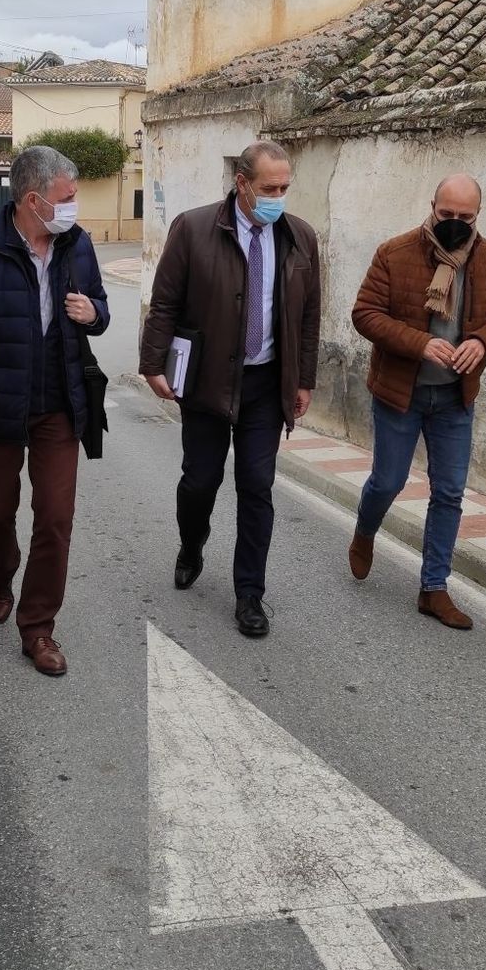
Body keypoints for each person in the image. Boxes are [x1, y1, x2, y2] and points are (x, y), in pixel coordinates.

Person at [0, 146, 109, 676]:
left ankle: (37, 627)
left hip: (59, 405)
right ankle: (2, 571)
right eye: (67, 197)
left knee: (55, 517)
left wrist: (93, 311)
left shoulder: (76, 246)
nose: (75, 206)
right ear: (35, 199)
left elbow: (100, 310)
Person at [140, 140, 321, 638]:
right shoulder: (194, 228)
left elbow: (308, 318)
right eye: (269, 188)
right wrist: (153, 363)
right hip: (208, 381)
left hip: (266, 383)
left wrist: (303, 379)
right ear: (242, 184)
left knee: (256, 487)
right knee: (199, 481)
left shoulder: (300, 238)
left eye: (285, 188)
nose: (278, 197)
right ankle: (191, 543)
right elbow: (165, 303)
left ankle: (249, 596)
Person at [348, 173, 486, 628]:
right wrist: (418, 343)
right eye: (447, 214)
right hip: (399, 394)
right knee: (387, 482)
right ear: (432, 206)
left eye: (465, 217)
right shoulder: (395, 252)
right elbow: (364, 314)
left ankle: (433, 589)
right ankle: (365, 531)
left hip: (454, 398)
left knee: (448, 493)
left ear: (478, 215)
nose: (455, 223)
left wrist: (483, 342)